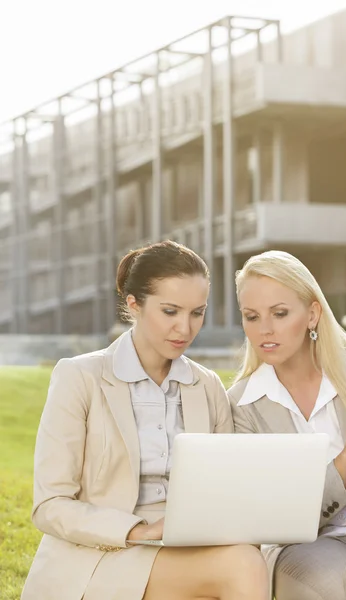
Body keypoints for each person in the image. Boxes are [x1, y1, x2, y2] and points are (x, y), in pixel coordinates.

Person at [22, 240, 269, 600]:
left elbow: (222, 492)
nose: (185, 328)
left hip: (183, 548)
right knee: (244, 566)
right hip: (99, 555)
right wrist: (139, 530)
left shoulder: (208, 386)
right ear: (134, 305)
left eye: (197, 313)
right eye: (170, 311)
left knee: (247, 555)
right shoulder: (80, 376)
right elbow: (50, 505)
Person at [228, 250, 346, 600]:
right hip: (302, 544)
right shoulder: (241, 405)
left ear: (312, 314)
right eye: (252, 316)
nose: (265, 329)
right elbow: (271, 513)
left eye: (280, 313)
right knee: (338, 585)